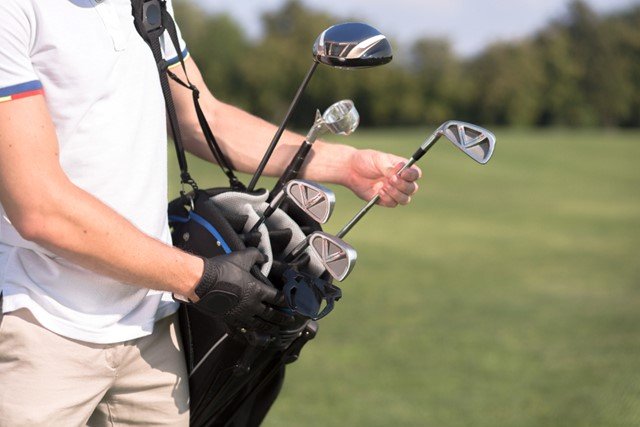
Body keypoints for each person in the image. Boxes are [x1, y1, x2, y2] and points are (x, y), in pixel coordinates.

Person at [0, 0, 421, 425]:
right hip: (37, 323)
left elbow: (202, 117)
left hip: (152, 329)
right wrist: (203, 278)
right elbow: (39, 206)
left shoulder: (144, 3)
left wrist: (343, 164)